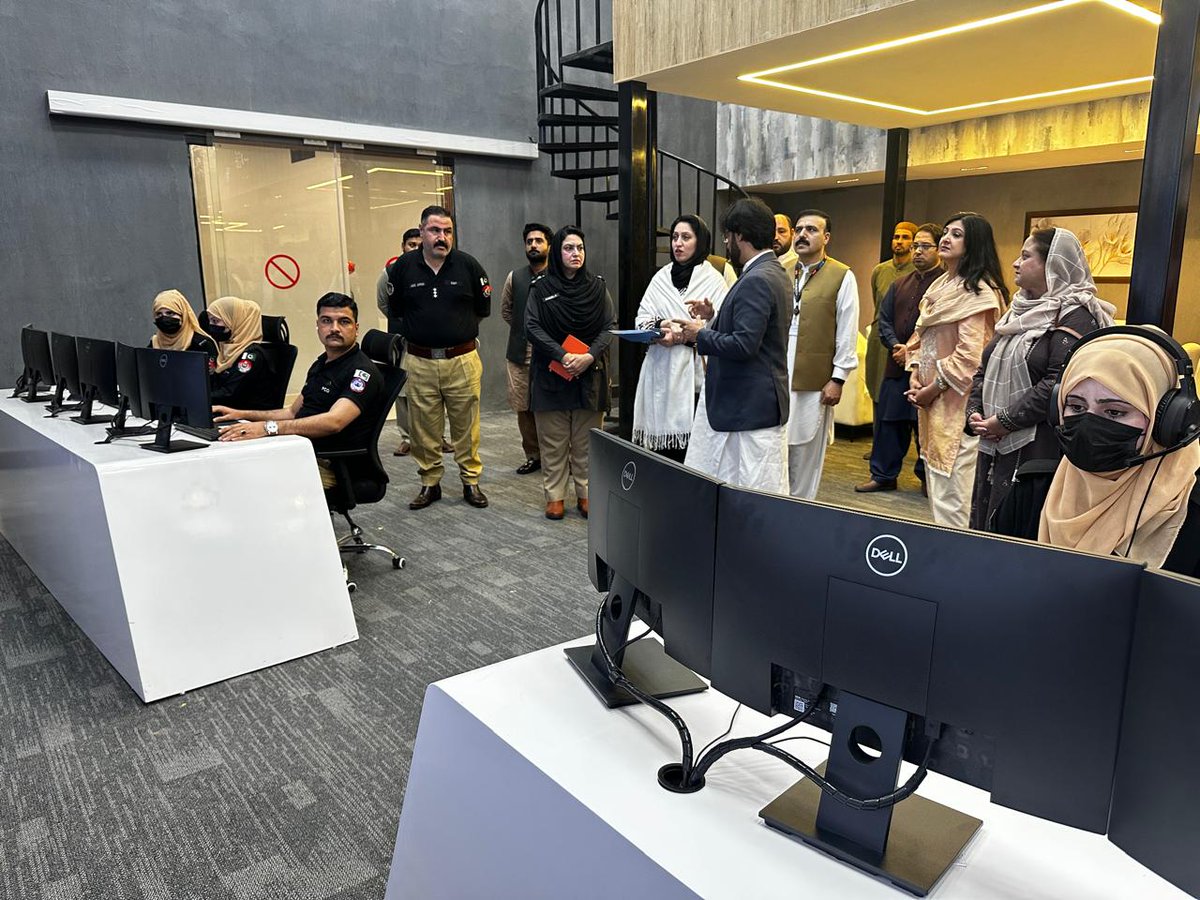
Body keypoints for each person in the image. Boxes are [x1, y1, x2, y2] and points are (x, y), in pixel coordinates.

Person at [966, 228, 1114, 532]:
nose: (1015, 264)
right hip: (994, 440)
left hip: (1039, 446)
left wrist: (1004, 421)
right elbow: (985, 367)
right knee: (987, 520)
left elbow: (1058, 382)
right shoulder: (1016, 313)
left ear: (1052, 264)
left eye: (1025, 256)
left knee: (1020, 524)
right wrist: (975, 415)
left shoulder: (1076, 316)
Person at [1037, 327, 1200, 576]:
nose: (1088, 425)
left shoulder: (1194, 516)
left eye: (1115, 412)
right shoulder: (1031, 490)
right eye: (1076, 406)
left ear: (1166, 420)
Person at [672, 198, 790, 493]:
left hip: (749, 408)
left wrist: (698, 335)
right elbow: (755, 332)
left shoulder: (757, 278)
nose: (725, 242)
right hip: (754, 404)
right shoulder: (772, 271)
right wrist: (714, 317)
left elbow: (745, 344)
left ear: (740, 234)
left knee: (750, 492)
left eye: (727, 235)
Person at [214, 293, 386, 491]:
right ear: (318, 326)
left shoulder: (362, 372)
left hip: (331, 464)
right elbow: (291, 413)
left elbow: (334, 422)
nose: (334, 328)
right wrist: (241, 414)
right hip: (300, 448)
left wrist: (268, 428)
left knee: (245, 479)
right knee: (229, 461)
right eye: (326, 321)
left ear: (356, 329)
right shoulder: (322, 363)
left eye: (344, 322)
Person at [384, 205, 492, 510]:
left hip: (462, 360)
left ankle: (471, 482)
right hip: (419, 361)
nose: (441, 237)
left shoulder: (469, 266)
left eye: (447, 231)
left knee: (466, 426)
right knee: (423, 427)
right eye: (434, 230)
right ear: (421, 232)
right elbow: (397, 311)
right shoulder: (403, 268)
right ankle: (430, 483)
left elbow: (483, 309)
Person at [904, 212, 1007, 528]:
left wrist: (931, 389)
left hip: (959, 408)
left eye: (957, 234)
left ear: (974, 243)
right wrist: (915, 373)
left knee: (955, 499)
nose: (946, 238)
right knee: (939, 492)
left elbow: (971, 357)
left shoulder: (979, 292)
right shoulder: (941, 284)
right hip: (932, 402)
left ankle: (956, 568)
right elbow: (923, 338)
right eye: (946, 232)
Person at [524, 227, 615, 520]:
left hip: (589, 371)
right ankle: (555, 496)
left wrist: (588, 356)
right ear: (557, 253)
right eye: (568, 248)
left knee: (587, 441)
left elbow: (608, 326)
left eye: (579, 248)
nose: (575, 254)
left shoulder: (598, 287)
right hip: (552, 372)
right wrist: (563, 355)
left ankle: (586, 494)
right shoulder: (540, 288)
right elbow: (531, 327)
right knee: (553, 442)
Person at [632, 214, 731, 462]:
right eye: (675, 237)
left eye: (686, 237)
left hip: (695, 375)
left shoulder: (714, 279)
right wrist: (662, 326)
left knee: (692, 450)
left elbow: (726, 329)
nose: (678, 243)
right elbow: (641, 320)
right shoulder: (661, 278)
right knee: (660, 454)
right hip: (660, 371)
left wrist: (708, 316)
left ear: (700, 241)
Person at [856, 223, 942, 493]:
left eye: (925, 246)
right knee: (888, 423)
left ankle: (928, 480)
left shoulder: (946, 285)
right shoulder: (898, 284)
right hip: (896, 365)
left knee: (925, 426)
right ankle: (883, 475)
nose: (917, 251)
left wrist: (913, 350)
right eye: (916, 245)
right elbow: (883, 321)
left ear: (939, 249)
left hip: (929, 370)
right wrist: (895, 345)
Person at [785, 209, 859, 500]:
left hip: (814, 378)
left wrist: (838, 378)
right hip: (778, 372)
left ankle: (801, 506)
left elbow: (847, 330)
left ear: (826, 237)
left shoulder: (841, 275)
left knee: (805, 447)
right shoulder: (783, 270)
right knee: (777, 444)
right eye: (798, 229)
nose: (802, 234)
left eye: (812, 230)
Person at [501, 223, 553, 475]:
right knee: (524, 408)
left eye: (539, 241)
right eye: (529, 241)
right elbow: (506, 311)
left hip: (551, 355)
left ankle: (556, 456)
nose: (533, 245)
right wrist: (527, 331)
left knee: (551, 408)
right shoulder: (515, 277)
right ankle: (533, 455)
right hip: (519, 354)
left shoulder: (559, 276)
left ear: (548, 246)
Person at [376, 227, 429, 457]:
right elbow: (382, 302)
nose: (415, 248)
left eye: (419, 244)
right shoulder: (391, 272)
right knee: (403, 389)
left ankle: (436, 437)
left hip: (429, 339)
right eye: (411, 245)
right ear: (403, 247)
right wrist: (403, 321)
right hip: (401, 340)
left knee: (431, 389)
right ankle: (407, 438)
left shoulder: (432, 271)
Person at [865, 222, 918, 406]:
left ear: (913, 243)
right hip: (879, 340)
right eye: (896, 237)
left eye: (905, 237)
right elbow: (878, 304)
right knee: (877, 390)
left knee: (899, 398)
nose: (899, 242)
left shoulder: (917, 272)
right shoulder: (879, 271)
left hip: (904, 342)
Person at [207, 296, 278, 411]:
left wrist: (197, 398)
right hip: (227, 410)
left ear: (235, 321)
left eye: (215, 321)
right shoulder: (228, 349)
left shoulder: (251, 356)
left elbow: (230, 393)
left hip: (248, 417)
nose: (211, 326)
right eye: (210, 320)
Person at [151, 289, 217, 370]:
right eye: (159, 314)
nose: (164, 318)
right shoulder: (153, 344)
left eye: (170, 313)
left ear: (183, 315)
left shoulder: (201, 345)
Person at [773, 212, 797, 277]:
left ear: (792, 233)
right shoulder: (762, 263)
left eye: (781, 231)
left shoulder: (800, 264)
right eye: (772, 232)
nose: (775, 237)